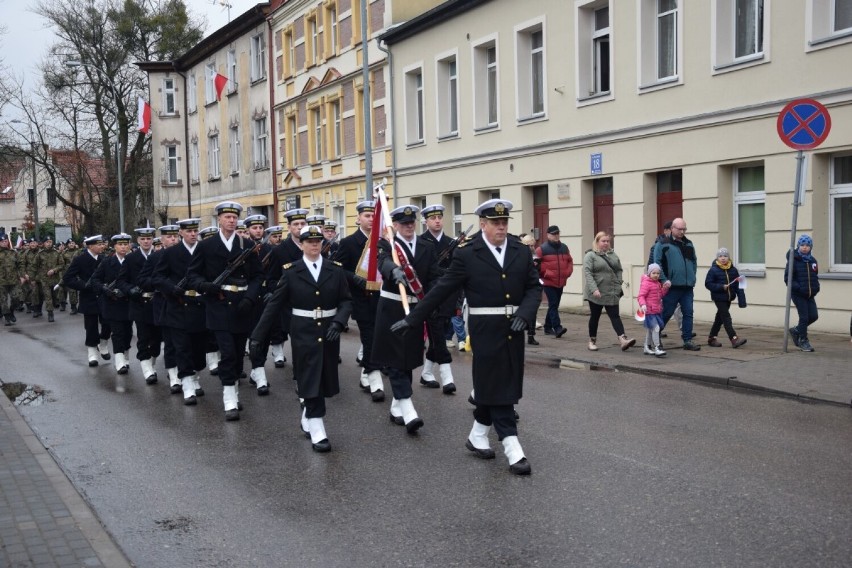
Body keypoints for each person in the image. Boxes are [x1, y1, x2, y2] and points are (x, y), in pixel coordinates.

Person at [391, 199, 541, 476]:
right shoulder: (468, 254)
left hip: (514, 328)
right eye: (495, 223)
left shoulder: (520, 251)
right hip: (485, 329)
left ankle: (477, 434)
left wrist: (526, 313)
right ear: (483, 224)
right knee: (497, 385)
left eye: (504, 222)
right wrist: (413, 318)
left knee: (498, 383)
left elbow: (534, 287)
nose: (501, 227)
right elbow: (441, 289)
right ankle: (512, 445)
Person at [250, 224, 353, 452]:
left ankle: (308, 410)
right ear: (302, 244)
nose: (314, 245)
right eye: (309, 242)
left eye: (318, 242)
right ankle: (317, 428)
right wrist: (257, 336)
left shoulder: (335, 269)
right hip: (303, 331)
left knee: (324, 377)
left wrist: (339, 321)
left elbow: (346, 300)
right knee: (308, 374)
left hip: (329, 331)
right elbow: (274, 305)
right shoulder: (291, 270)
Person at [187, 202, 264, 420]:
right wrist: (205, 286)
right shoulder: (206, 246)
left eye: (234, 217)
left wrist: (250, 297)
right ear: (219, 220)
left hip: (242, 305)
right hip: (218, 305)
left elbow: (258, 276)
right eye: (227, 217)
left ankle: (234, 391)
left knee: (239, 354)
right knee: (228, 353)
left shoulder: (246, 244)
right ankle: (229, 398)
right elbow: (193, 276)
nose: (231, 221)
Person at [372, 205, 441, 433]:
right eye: (404, 224)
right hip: (391, 307)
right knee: (394, 360)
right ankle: (409, 410)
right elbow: (382, 261)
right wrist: (394, 270)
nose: (409, 227)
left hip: (415, 309)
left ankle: (396, 407)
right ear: (396, 226)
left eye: (411, 224)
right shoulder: (389, 244)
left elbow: (433, 277)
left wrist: (432, 302)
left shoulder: (426, 246)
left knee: (408, 360)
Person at [153, 219, 208, 407]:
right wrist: (171, 288)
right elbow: (158, 277)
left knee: (199, 349)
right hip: (178, 305)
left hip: (200, 305)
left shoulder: (204, 250)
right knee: (182, 348)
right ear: (181, 233)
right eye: (189, 231)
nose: (193, 234)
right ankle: (187, 385)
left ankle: (195, 376)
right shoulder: (170, 253)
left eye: (195, 231)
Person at [335, 200, 384, 397]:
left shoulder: (382, 241)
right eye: (367, 216)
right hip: (360, 298)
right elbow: (339, 268)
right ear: (358, 218)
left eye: (374, 216)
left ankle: (367, 370)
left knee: (378, 337)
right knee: (369, 335)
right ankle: (373, 377)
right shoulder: (348, 243)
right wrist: (354, 278)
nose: (371, 219)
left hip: (381, 296)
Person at [418, 204, 458, 393]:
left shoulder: (452, 243)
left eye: (439, 217)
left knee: (437, 335)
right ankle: (447, 376)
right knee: (438, 336)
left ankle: (426, 373)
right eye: (433, 218)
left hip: (448, 297)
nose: (437, 221)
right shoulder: (420, 242)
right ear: (426, 221)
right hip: (428, 296)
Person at [116, 225, 161, 384]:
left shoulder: (159, 256)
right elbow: (121, 281)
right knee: (143, 336)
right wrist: (130, 289)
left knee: (157, 338)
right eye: (143, 239)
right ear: (138, 240)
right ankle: (146, 368)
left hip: (157, 303)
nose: (146, 241)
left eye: (149, 238)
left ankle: (152, 362)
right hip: (139, 303)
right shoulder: (131, 259)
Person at [62, 235, 112, 366]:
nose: (102, 246)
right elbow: (68, 278)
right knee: (91, 327)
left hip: (103, 296)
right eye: (99, 244)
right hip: (88, 297)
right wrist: (83, 285)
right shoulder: (80, 259)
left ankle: (103, 343)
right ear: (90, 246)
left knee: (108, 323)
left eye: (102, 244)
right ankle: (92, 353)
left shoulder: (104, 259)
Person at [653, 217, 701, 351]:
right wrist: (663, 280)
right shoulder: (663, 244)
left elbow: (694, 262)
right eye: (679, 229)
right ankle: (654, 337)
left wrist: (692, 276)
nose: (682, 231)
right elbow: (657, 263)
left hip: (687, 287)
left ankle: (687, 340)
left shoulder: (689, 244)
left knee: (688, 313)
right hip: (671, 286)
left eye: (684, 229)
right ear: (672, 228)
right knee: (666, 313)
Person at [582, 232, 636, 351]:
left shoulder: (613, 255)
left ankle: (623, 339)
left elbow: (619, 270)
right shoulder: (590, 256)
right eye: (603, 241)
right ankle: (592, 341)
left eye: (607, 241)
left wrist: (618, 284)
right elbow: (588, 274)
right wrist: (594, 289)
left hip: (611, 292)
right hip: (596, 293)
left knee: (615, 316)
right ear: (597, 242)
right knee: (595, 317)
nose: (606, 243)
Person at [91, 234, 133, 374]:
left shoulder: (133, 260)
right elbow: (95, 280)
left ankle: (126, 357)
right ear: (114, 246)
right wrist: (104, 289)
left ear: (129, 246)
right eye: (120, 244)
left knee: (128, 332)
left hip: (129, 302)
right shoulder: (107, 262)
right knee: (118, 332)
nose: (123, 247)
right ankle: (119, 361)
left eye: (125, 244)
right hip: (112, 303)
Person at [704, 247, 747, 348]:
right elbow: (708, 284)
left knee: (719, 318)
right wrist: (721, 287)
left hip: (728, 298)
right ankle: (734, 338)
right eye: (720, 256)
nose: (723, 258)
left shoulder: (733, 270)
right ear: (717, 258)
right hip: (718, 297)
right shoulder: (713, 270)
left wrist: (742, 301)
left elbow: (739, 285)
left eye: (725, 256)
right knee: (726, 317)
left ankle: (712, 338)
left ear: (729, 257)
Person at [784, 234, 820, 353]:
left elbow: (815, 276)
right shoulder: (794, 259)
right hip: (798, 294)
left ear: (811, 247)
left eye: (807, 245)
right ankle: (803, 340)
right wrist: (798, 288)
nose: (805, 247)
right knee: (804, 317)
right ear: (798, 246)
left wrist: (816, 287)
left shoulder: (813, 261)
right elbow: (788, 278)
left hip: (810, 294)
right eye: (802, 245)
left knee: (814, 316)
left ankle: (796, 330)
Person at [536, 225, 572, 338]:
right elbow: (535, 264)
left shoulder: (564, 248)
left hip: (561, 281)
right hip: (548, 282)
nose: (556, 236)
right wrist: (546, 273)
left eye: (557, 233)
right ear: (548, 235)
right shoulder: (541, 249)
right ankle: (557, 328)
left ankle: (547, 327)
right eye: (553, 234)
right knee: (553, 304)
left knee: (554, 305)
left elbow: (569, 261)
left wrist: (567, 272)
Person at [637, 264, 668, 357]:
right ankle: (657, 348)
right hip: (649, 310)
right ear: (649, 273)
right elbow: (641, 296)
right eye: (654, 273)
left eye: (658, 273)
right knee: (656, 328)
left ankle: (647, 347)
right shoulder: (646, 283)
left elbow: (661, 295)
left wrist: (665, 288)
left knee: (650, 330)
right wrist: (643, 305)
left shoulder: (657, 283)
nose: (656, 275)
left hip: (656, 310)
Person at [34, 236, 64, 322]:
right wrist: (33, 279)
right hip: (44, 280)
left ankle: (56, 302)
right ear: (44, 243)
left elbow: (61, 265)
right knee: (48, 297)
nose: (49, 243)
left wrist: (54, 270)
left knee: (55, 296)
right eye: (47, 242)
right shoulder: (40, 254)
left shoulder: (57, 253)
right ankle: (50, 313)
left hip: (55, 279)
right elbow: (34, 266)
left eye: (50, 242)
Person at [519, 233, 540, 345]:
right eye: (529, 246)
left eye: (533, 246)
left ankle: (531, 336)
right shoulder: (520, 256)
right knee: (524, 312)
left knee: (533, 312)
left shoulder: (535, 256)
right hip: (522, 288)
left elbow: (539, 272)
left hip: (533, 287)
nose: (532, 248)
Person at [0, 232, 22, 326]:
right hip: (1, 281)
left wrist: (21, 276)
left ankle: (12, 311)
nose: (4, 243)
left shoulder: (13, 253)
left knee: (16, 298)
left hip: (14, 280)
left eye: (5, 241)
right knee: (3, 300)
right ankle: (7, 316)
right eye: (2, 241)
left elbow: (20, 264)